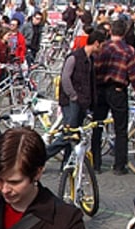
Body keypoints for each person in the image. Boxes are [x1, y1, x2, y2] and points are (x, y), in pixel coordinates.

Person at [92, 18, 135, 176]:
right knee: (120, 129)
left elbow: (94, 68)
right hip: (118, 90)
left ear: (110, 31)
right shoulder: (128, 50)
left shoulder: (102, 47)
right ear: (124, 33)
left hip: (101, 90)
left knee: (97, 126)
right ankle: (119, 165)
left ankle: (95, 163)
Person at [45, 29, 105, 162]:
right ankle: (42, 155)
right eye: (102, 44)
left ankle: (67, 163)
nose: (102, 48)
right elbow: (65, 78)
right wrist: (73, 96)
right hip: (71, 101)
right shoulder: (74, 57)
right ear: (96, 43)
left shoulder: (90, 59)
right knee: (69, 134)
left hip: (81, 102)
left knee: (74, 135)